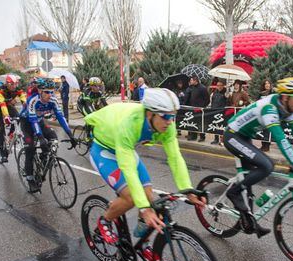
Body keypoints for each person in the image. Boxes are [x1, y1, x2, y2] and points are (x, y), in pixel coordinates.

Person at [84, 87, 205, 245]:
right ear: (150, 113)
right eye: (166, 116)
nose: (169, 121)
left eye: (173, 116)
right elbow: (128, 168)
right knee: (132, 198)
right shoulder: (129, 124)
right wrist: (144, 209)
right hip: (104, 150)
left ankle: (142, 242)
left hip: (125, 148)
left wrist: (187, 189)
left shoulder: (167, 124)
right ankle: (105, 221)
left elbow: (175, 157)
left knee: (149, 196)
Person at [223, 77, 293, 235]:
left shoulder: (288, 109)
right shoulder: (269, 108)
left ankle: (248, 220)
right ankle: (234, 192)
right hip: (233, 135)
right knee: (267, 165)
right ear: (286, 97)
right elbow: (281, 139)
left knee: (249, 178)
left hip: (245, 137)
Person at [20, 78, 77, 193]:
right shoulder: (33, 100)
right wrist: (40, 137)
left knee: (53, 138)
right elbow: (33, 120)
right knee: (30, 148)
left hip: (39, 121)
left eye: (52, 92)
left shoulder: (53, 101)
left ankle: (43, 159)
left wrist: (70, 135)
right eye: (47, 92)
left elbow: (61, 118)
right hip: (27, 122)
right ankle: (30, 180)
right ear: (40, 91)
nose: (50, 95)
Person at [0, 75, 26, 163]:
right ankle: (2, 153)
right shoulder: (0, 90)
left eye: (15, 84)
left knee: (17, 118)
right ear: (7, 84)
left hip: (8, 105)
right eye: (12, 84)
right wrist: (6, 116)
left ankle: (10, 135)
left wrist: (28, 110)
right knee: (1, 128)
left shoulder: (18, 89)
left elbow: (24, 100)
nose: (14, 86)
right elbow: (2, 104)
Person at [184, 76, 210, 141]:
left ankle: (202, 137)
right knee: (194, 123)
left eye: (192, 80)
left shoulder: (203, 88)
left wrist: (202, 107)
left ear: (195, 81)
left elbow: (207, 99)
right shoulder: (193, 87)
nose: (190, 81)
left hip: (200, 109)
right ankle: (193, 136)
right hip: (193, 108)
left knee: (200, 123)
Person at [209, 79, 228, 145]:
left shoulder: (226, 93)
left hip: (222, 112)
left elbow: (228, 101)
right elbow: (212, 101)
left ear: (223, 86)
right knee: (215, 126)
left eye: (220, 85)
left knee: (222, 127)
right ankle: (216, 139)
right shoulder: (214, 92)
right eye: (218, 85)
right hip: (214, 111)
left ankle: (222, 140)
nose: (219, 86)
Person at [258, 79, 273, 152]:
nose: (267, 85)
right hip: (262, 114)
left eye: (268, 83)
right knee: (263, 130)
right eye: (265, 84)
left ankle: (267, 146)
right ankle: (263, 145)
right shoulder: (261, 94)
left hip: (269, 114)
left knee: (268, 130)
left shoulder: (273, 93)